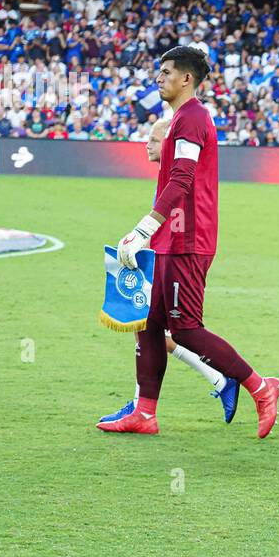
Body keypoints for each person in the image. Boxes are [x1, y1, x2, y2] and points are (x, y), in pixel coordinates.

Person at [96, 47, 279, 437]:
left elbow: (182, 179)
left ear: (186, 79)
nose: (159, 78)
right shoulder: (180, 118)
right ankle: (144, 413)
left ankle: (261, 388)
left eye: (166, 72)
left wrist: (145, 227)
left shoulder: (193, 117)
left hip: (188, 239)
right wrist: (152, 234)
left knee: (184, 329)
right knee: (148, 325)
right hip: (170, 239)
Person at [97, 116, 239, 429]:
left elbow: (172, 219)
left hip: (178, 253)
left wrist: (139, 241)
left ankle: (226, 378)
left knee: (169, 327)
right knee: (147, 326)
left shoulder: (179, 178)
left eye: (154, 139)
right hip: (165, 251)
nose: (147, 144)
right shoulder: (166, 177)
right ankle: (146, 403)